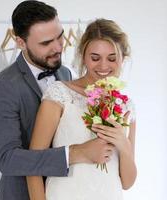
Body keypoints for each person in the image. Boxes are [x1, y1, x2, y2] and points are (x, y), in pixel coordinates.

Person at [0, 1, 115, 199]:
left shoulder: (65, 73)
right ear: (21, 43)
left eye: (60, 37)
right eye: (46, 43)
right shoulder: (6, 85)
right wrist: (75, 153)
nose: (58, 48)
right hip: (21, 194)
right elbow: (7, 159)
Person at [26, 18, 137, 200]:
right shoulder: (59, 94)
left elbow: (127, 182)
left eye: (112, 58)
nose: (103, 66)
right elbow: (33, 166)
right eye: (95, 58)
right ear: (83, 56)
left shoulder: (125, 106)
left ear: (123, 58)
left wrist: (124, 146)